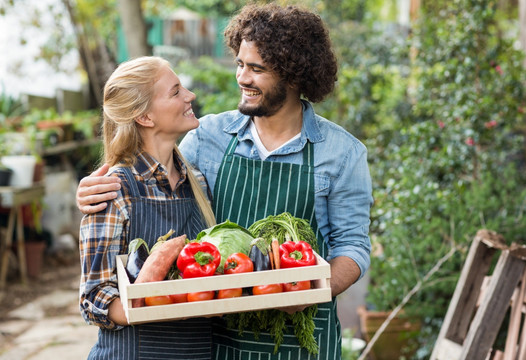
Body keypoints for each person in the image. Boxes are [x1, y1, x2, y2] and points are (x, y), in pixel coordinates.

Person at [77, 3, 372, 359]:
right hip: (218, 342)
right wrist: (96, 191)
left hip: (300, 340)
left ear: (294, 76)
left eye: (256, 69)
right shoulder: (208, 137)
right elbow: (155, 177)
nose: (242, 78)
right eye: (240, 64)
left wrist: (307, 290)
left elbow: (352, 246)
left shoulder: (342, 152)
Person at [78, 56, 216, 359]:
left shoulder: (198, 183)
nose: (190, 96)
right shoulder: (116, 189)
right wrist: (157, 304)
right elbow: (94, 297)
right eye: (176, 91)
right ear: (145, 117)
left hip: (196, 351)